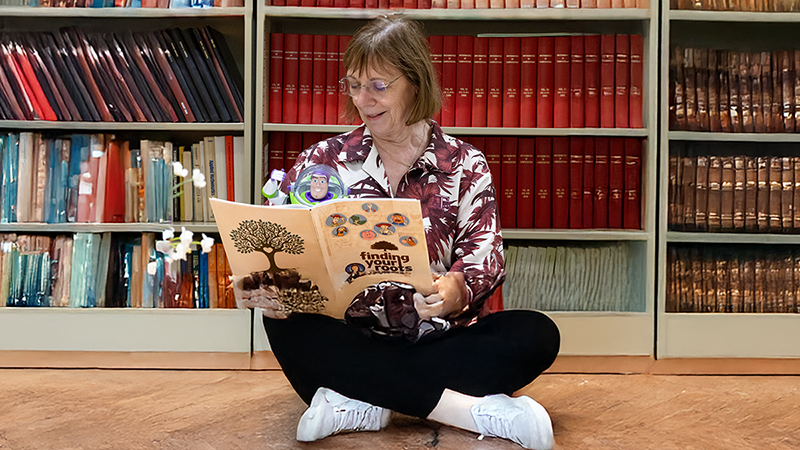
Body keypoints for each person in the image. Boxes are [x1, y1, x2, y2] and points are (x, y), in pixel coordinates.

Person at [252, 16, 560, 450]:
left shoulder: (465, 164)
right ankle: (471, 411)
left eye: (379, 86)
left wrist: (457, 288)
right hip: (347, 336)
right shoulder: (323, 160)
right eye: (354, 85)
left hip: (437, 339)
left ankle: (358, 400)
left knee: (536, 334)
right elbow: (278, 234)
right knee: (283, 321)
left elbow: (484, 257)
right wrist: (264, 281)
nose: (363, 99)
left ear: (414, 83)